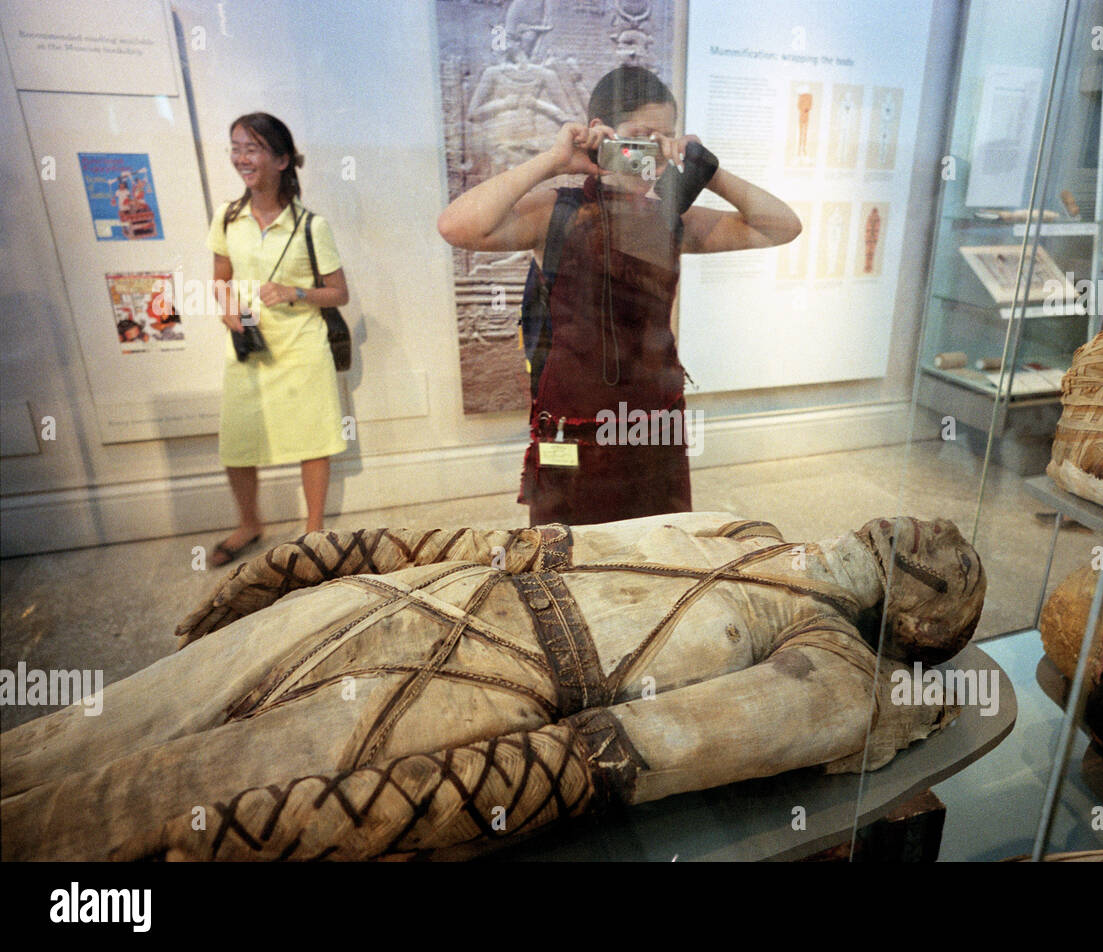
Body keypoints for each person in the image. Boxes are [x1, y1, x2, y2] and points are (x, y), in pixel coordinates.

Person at [0, 509, 985, 861]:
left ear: (924, 625)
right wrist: (358, 552)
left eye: (950, 563)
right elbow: (535, 543)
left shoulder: (834, 674)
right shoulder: (743, 528)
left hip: (468, 698)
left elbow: (618, 753)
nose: (931, 529)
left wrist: (409, 803)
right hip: (426, 593)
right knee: (77, 732)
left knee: (110, 817)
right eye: (934, 524)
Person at [439, 66, 801, 526]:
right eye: (640, 136)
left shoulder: (671, 219)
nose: (652, 151)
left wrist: (710, 172)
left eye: (664, 138)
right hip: (573, 430)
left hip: (656, 421)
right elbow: (457, 226)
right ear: (600, 132)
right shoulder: (558, 211)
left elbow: (781, 226)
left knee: (660, 554)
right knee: (570, 561)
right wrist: (554, 161)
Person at [207, 113, 349, 566]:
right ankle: (249, 523)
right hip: (250, 348)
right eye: (235, 148)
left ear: (282, 159)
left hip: (303, 348)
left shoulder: (311, 225)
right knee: (238, 441)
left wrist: (295, 292)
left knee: (313, 439)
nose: (241, 159)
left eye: (251, 149)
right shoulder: (228, 217)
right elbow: (221, 278)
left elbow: (339, 292)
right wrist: (228, 308)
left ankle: (313, 531)